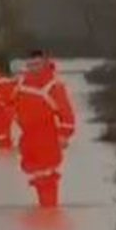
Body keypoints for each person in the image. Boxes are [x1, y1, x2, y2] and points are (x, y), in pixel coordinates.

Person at [14, 50, 76, 208]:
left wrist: (64, 135)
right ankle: (44, 212)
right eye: (30, 65)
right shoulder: (21, 83)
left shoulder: (54, 86)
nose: (33, 68)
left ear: (45, 63)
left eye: (37, 64)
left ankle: (49, 212)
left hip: (46, 134)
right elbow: (10, 103)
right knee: (37, 173)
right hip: (28, 136)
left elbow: (66, 113)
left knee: (47, 174)